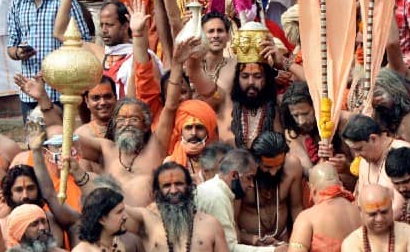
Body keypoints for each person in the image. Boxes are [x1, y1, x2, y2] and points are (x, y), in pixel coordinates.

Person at [70, 27, 187, 206]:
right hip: (113, 224)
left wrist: (177, 64)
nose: (127, 125)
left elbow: (170, 105)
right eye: (122, 120)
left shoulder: (157, 145)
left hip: (150, 221)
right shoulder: (106, 148)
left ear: (145, 125)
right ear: (114, 125)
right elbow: (70, 142)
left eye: (133, 120)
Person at [5, 0, 91, 120]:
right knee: (34, 142)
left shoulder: (64, 1)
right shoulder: (16, 5)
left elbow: (84, 42)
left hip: (59, 91)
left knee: (60, 142)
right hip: (28, 90)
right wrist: (19, 53)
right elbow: (11, 48)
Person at [193, 22, 282, 148]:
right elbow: (195, 73)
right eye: (245, 76)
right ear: (236, 78)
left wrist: (283, 63)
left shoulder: (275, 107)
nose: (251, 82)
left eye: (257, 76)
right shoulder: (222, 100)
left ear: (266, 79)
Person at [165, 99, 219, 183]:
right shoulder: (170, 162)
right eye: (188, 127)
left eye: (199, 128)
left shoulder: (218, 160)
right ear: (181, 131)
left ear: (208, 132)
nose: (193, 133)